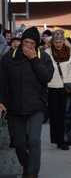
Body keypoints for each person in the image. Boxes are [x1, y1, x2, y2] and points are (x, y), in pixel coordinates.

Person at [0, 27, 54, 178]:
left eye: (32, 43)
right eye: (25, 42)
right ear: (21, 42)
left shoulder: (42, 57)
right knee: (19, 144)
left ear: (36, 45)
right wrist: (1, 101)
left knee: (34, 140)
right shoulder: (9, 58)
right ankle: (27, 165)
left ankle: (32, 174)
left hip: (36, 107)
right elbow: (2, 82)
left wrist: (33, 59)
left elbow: (47, 77)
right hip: (14, 108)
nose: (28, 46)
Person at [45, 30, 71, 150]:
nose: (58, 43)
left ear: (64, 41)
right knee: (55, 115)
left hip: (68, 87)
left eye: (60, 41)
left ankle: (65, 136)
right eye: (56, 41)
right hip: (52, 87)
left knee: (67, 114)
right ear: (52, 41)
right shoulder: (47, 53)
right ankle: (57, 139)